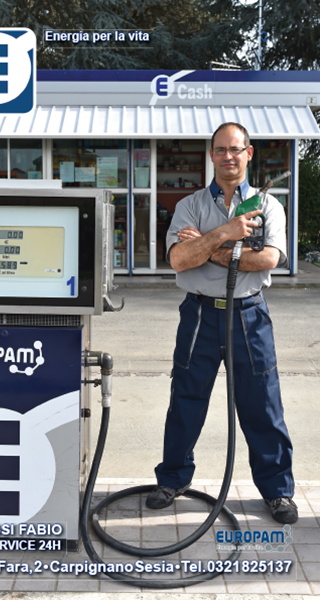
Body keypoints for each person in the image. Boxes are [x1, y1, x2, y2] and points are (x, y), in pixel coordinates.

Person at [146, 122, 298, 525]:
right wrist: (229, 235)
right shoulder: (190, 205)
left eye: (236, 149)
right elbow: (178, 260)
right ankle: (172, 480)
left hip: (249, 313)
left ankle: (278, 491)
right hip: (199, 313)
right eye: (220, 150)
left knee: (262, 404)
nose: (228, 156)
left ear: (249, 154)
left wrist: (209, 245)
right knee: (186, 398)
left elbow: (268, 259)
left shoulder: (268, 207)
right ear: (210, 155)